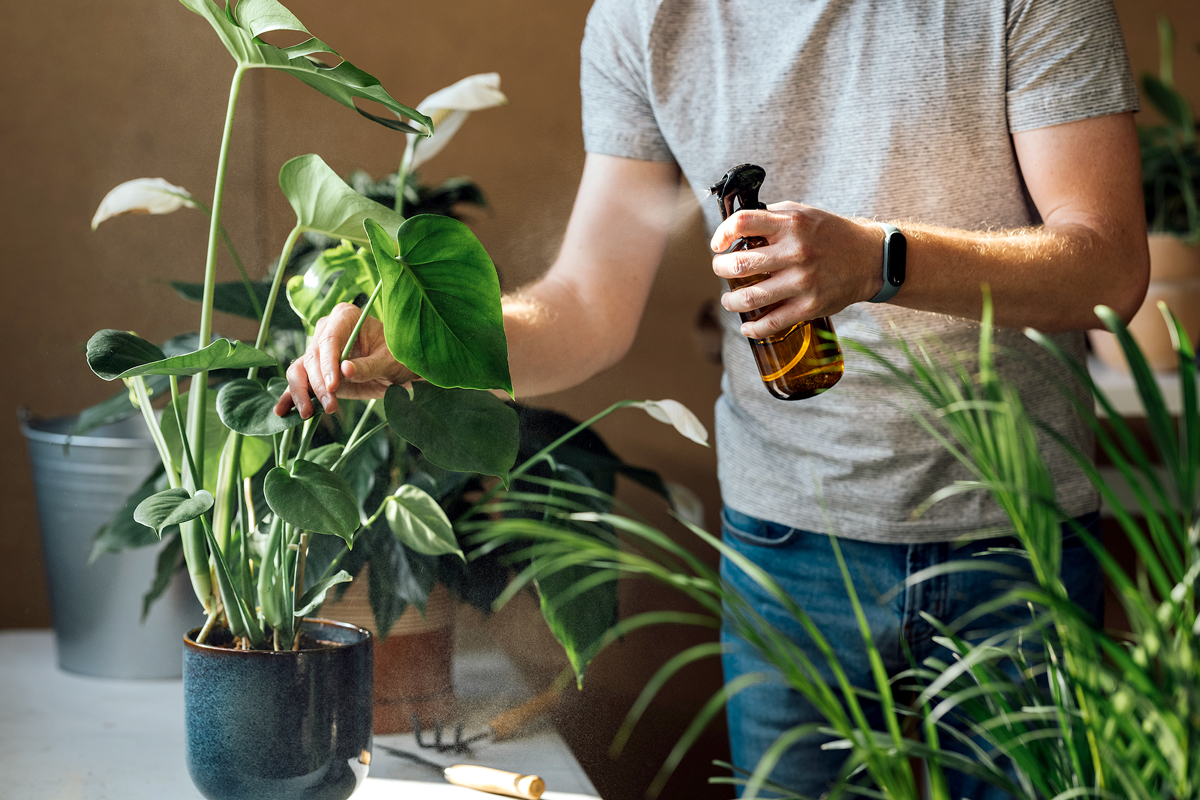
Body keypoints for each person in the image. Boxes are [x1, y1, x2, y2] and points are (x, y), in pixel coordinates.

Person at [277, 0, 1149, 795]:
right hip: (787, 549)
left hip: (1016, 533)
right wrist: (418, 344)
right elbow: (586, 306)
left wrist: (879, 260)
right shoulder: (643, 20)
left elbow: (1107, 267)